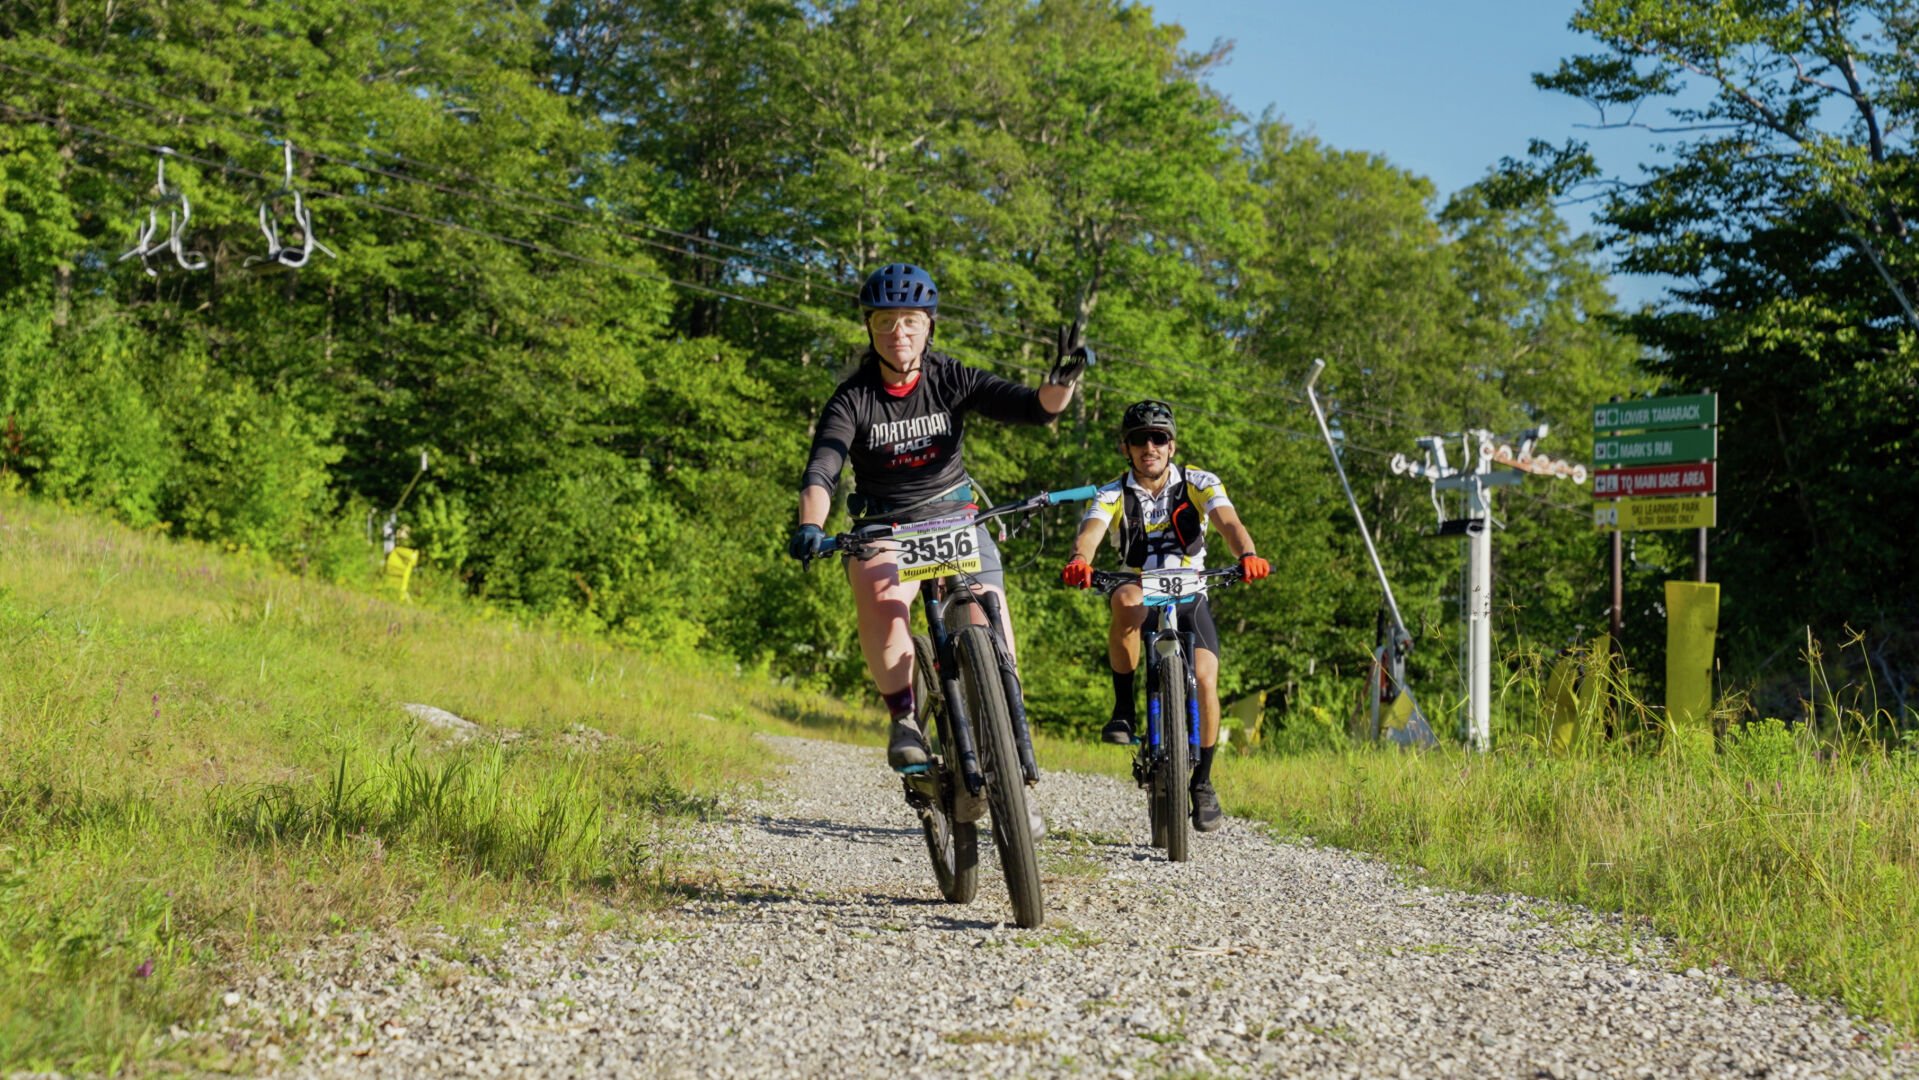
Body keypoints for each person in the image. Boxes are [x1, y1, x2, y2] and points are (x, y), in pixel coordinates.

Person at [787, 263, 1088, 781]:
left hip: (955, 519)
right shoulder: (853, 399)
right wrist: (811, 525)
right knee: (882, 603)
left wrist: (1060, 382)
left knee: (993, 624)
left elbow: (1034, 409)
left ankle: (1005, 749)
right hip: (887, 528)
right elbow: (822, 471)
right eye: (885, 322)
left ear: (929, 325)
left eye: (910, 321)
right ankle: (905, 720)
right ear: (869, 328)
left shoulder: (951, 377)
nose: (898, 333)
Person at [1058, 399, 1269, 832]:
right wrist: (1080, 559)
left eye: (1158, 438)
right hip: (1139, 586)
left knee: (1206, 679)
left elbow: (1228, 522)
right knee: (1123, 601)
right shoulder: (1111, 492)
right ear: (1126, 448)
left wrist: (1247, 553)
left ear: (1171, 445)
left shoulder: (1199, 481)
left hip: (1191, 590)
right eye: (1139, 440)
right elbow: (1091, 532)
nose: (1149, 447)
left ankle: (1203, 782)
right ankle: (1123, 708)